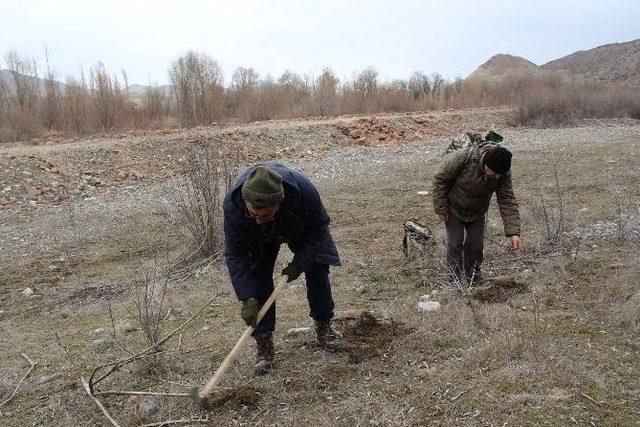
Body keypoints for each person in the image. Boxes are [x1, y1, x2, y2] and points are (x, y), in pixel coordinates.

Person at [223, 162, 343, 376]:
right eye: (254, 214)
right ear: (245, 202)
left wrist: (299, 264)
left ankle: (324, 326)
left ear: (279, 203)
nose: (259, 220)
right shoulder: (234, 207)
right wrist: (247, 298)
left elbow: (318, 229)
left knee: (317, 268)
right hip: (258, 239)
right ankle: (264, 346)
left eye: (265, 215)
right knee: (258, 276)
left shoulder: (303, 193)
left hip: (299, 226)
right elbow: (236, 254)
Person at [432, 142, 521, 284]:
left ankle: (473, 277)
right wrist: (441, 208)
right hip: (454, 209)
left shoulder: (502, 174)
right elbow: (440, 179)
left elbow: (507, 200)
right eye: (493, 173)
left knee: (476, 246)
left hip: (477, 212)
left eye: (499, 175)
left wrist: (513, 232)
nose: (496, 177)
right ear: (485, 163)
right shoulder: (463, 158)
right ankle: (453, 279)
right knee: (455, 244)